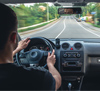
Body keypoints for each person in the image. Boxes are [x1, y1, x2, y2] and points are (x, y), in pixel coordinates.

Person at [0, 3, 61, 90]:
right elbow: (57, 82)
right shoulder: (38, 78)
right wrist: (50, 64)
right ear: (14, 37)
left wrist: (17, 50)